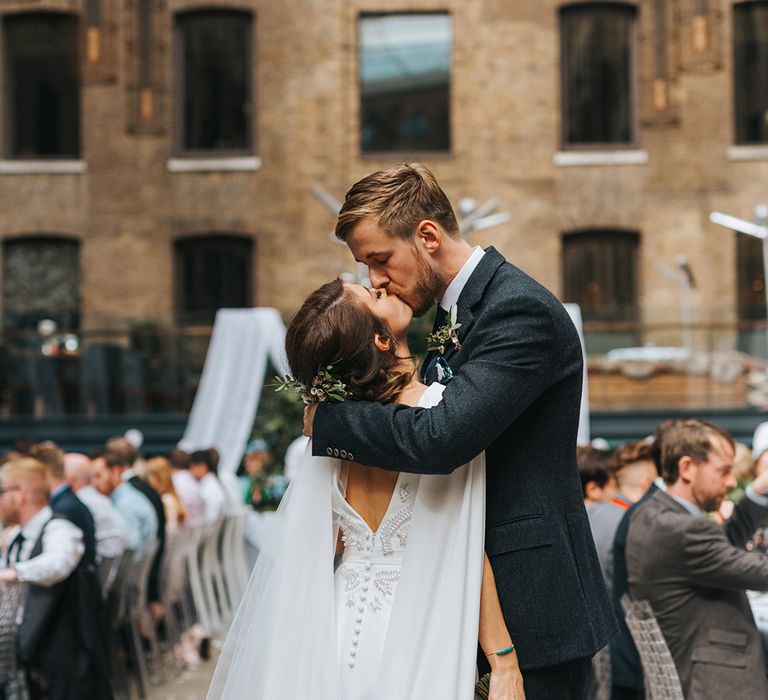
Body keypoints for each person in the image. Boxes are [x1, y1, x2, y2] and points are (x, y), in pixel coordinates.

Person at [304, 163, 615, 697]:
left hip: (528, 607)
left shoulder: (518, 311)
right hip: (459, 604)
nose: (375, 279)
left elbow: (440, 437)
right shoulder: (453, 316)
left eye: (380, 260)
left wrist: (324, 419)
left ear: (426, 235)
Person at [209, 278, 523, 699]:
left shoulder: (332, 433)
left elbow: (327, 544)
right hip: (418, 629)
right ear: (380, 339)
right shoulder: (441, 419)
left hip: (333, 632)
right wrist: (504, 659)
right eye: (375, 296)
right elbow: (469, 548)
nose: (385, 287)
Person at [626, 419, 768, 699]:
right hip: (717, 681)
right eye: (724, 471)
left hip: (692, 670)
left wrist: (758, 490)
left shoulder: (653, 514)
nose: (732, 481)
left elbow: (720, 546)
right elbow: (758, 571)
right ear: (687, 468)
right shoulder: (682, 529)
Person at [0, 458, 111, 700]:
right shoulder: (17, 534)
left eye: (1, 492)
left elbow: (58, 563)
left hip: (54, 660)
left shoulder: (61, 528)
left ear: (21, 495)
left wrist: (13, 573)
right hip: (17, 647)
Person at [29, 442, 97, 567]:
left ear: (44, 473)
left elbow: (56, 562)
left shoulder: (63, 508)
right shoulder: (67, 501)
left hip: (68, 585)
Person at [64, 452, 128, 562]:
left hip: (95, 574)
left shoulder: (81, 502)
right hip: (106, 572)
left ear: (70, 480)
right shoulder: (99, 500)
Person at [92, 451, 157, 555]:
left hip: (133, 569)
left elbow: (130, 550)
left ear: (116, 471)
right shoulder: (129, 496)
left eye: (99, 476)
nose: (94, 482)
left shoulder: (125, 503)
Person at [146, 457, 187, 532]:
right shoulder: (170, 498)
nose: (147, 480)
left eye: (149, 476)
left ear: (158, 477)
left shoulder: (166, 501)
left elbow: (168, 532)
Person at [167, 448, 205, 528]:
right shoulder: (197, 482)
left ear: (169, 464)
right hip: (195, 532)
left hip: (181, 532)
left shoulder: (174, 482)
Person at [189, 449, 229, 525]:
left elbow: (210, 519)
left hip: (207, 533)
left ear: (202, 466)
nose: (190, 471)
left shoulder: (208, 488)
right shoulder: (212, 483)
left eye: (192, 466)